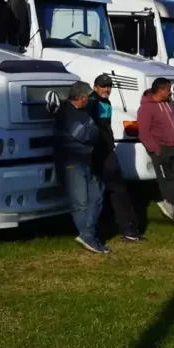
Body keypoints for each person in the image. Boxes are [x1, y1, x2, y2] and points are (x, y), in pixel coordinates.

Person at [54, 81, 109, 254]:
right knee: (80, 202)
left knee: (98, 195)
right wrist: (95, 130)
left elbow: (91, 133)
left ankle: (88, 233)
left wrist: (93, 130)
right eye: (87, 97)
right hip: (72, 163)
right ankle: (89, 237)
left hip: (86, 161)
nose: (89, 99)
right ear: (79, 98)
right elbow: (86, 135)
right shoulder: (66, 113)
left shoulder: (83, 112)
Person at [87, 74, 143, 242]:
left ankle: (122, 227)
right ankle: (125, 228)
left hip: (107, 150)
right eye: (103, 86)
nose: (107, 89)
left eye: (109, 86)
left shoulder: (107, 102)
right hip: (97, 152)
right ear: (95, 87)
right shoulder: (92, 103)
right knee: (112, 190)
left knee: (112, 190)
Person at [137, 77, 174, 221]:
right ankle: (170, 207)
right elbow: (144, 133)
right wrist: (156, 149)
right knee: (165, 179)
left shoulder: (168, 103)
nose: (170, 93)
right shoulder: (146, 108)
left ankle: (168, 203)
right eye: (168, 89)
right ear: (160, 90)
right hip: (160, 148)